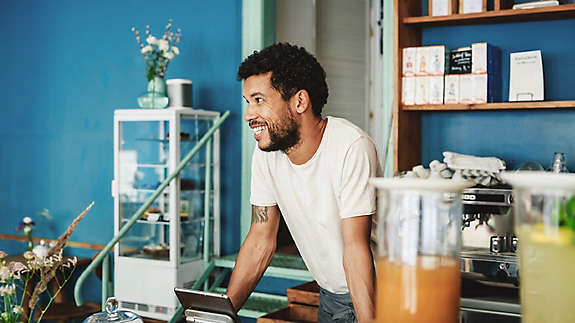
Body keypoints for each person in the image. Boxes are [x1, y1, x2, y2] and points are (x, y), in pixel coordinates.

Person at [225, 42, 381, 323]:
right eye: (247, 102)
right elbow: (260, 238)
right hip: (331, 296)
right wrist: (220, 313)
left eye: (259, 100)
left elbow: (355, 248)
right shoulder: (266, 155)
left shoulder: (351, 146)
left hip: (375, 295)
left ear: (299, 101)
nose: (248, 114)